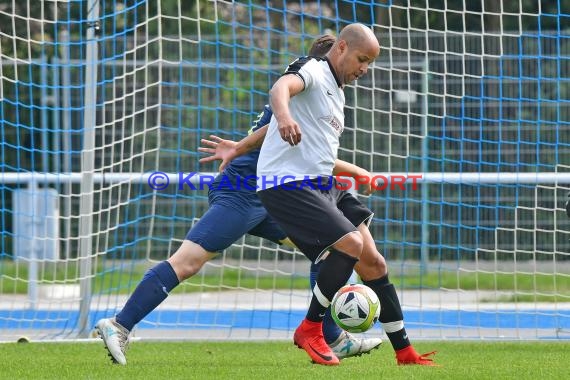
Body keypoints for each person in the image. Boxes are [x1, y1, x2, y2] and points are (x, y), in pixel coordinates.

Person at [94, 34, 382, 366]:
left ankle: (331, 335)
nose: (361, 70)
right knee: (188, 261)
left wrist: (240, 145)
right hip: (243, 192)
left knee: (333, 250)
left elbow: (294, 144)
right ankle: (118, 324)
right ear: (333, 57)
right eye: (360, 61)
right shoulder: (311, 79)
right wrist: (356, 169)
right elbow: (282, 107)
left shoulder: (322, 99)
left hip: (273, 195)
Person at [255, 23, 437, 366]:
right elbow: (281, 87)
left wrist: (355, 172)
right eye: (362, 59)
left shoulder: (337, 94)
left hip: (321, 183)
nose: (364, 68)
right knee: (350, 244)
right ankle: (310, 329)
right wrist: (283, 116)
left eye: (369, 62)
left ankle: (404, 351)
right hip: (285, 183)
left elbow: (315, 152)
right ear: (341, 48)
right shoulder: (314, 70)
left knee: (372, 260)